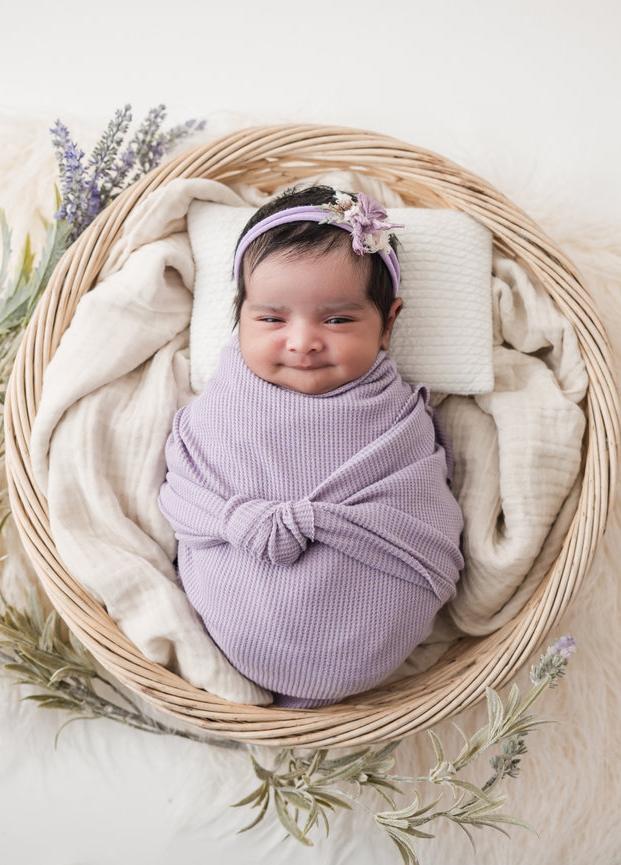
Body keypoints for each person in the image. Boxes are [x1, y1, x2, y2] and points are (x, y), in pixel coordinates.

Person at [157, 186, 464, 707]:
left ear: (387, 324)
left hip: (374, 618)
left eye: (338, 320)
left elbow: (421, 502)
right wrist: (243, 521)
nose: (302, 342)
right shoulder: (225, 398)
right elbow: (187, 486)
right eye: (271, 319)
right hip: (240, 607)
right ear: (239, 316)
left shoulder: (395, 414)